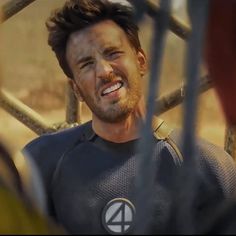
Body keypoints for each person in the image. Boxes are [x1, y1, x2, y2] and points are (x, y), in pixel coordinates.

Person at [22, 0, 236, 234]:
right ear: (76, 90)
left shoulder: (210, 169)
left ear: (141, 61)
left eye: (112, 53)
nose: (104, 71)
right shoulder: (40, 164)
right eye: (86, 64)